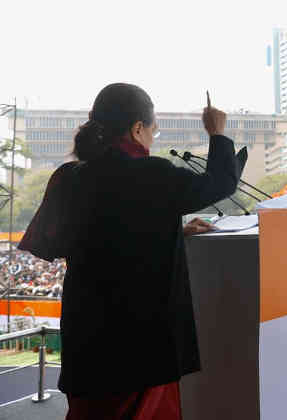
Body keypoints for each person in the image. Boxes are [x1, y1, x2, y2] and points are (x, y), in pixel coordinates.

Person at [18, 83, 240, 419]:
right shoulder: (153, 174)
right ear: (137, 128)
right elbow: (221, 182)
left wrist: (169, 227)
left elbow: (80, 238)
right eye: (153, 129)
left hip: (88, 341)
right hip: (142, 346)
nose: (153, 137)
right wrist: (218, 133)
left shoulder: (68, 177)